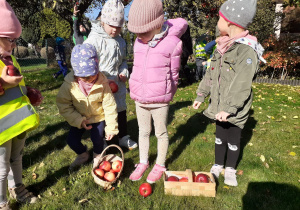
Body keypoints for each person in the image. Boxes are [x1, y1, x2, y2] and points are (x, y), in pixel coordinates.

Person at [193, 0, 266, 186]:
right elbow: (210, 74)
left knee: (233, 139)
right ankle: (218, 164)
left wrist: (229, 108)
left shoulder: (246, 51)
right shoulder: (222, 47)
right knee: (219, 137)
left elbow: (242, 83)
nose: (217, 22)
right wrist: (201, 95)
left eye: (220, 18)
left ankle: (231, 168)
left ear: (230, 22)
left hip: (234, 109)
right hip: (219, 105)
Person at [127, 0, 188, 183]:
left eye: (143, 32)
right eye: (137, 32)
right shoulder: (138, 42)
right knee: (143, 131)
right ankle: (143, 161)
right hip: (140, 98)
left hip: (160, 99)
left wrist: (169, 91)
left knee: (160, 133)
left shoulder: (173, 43)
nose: (139, 36)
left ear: (157, 25)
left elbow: (174, 73)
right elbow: (137, 67)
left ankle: (160, 164)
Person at [0, 0, 42, 208]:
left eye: (16, 39)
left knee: (16, 158)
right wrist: (2, 83)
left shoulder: (10, 60)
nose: (15, 44)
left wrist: (28, 92)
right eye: (10, 39)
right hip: (1, 127)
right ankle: (1, 202)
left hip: (18, 121)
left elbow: (18, 85)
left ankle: (18, 188)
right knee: (1, 166)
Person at [84, 0, 137, 150]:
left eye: (119, 27)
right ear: (103, 22)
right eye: (111, 26)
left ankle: (123, 136)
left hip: (117, 84)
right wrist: (97, 78)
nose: (115, 30)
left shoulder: (121, 41)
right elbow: (87, 63)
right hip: (100, 83)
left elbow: (123, 61)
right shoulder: (94, 40)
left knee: (120, 109)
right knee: (105, 112)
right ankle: (107, 139)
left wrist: (124, 71)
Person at [56, 43, 119, 170]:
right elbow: (63, 104)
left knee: (97, 139)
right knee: (71, 140)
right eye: (84, 77)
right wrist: (78, 120)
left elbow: (110, 106)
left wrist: (111, 127)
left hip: (97, 117)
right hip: (79, 117)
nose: (88, 79)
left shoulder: (102, 83)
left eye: (91, 75)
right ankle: (83, 154)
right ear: (75, 73)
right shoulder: (70, 84)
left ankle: (97, 155)